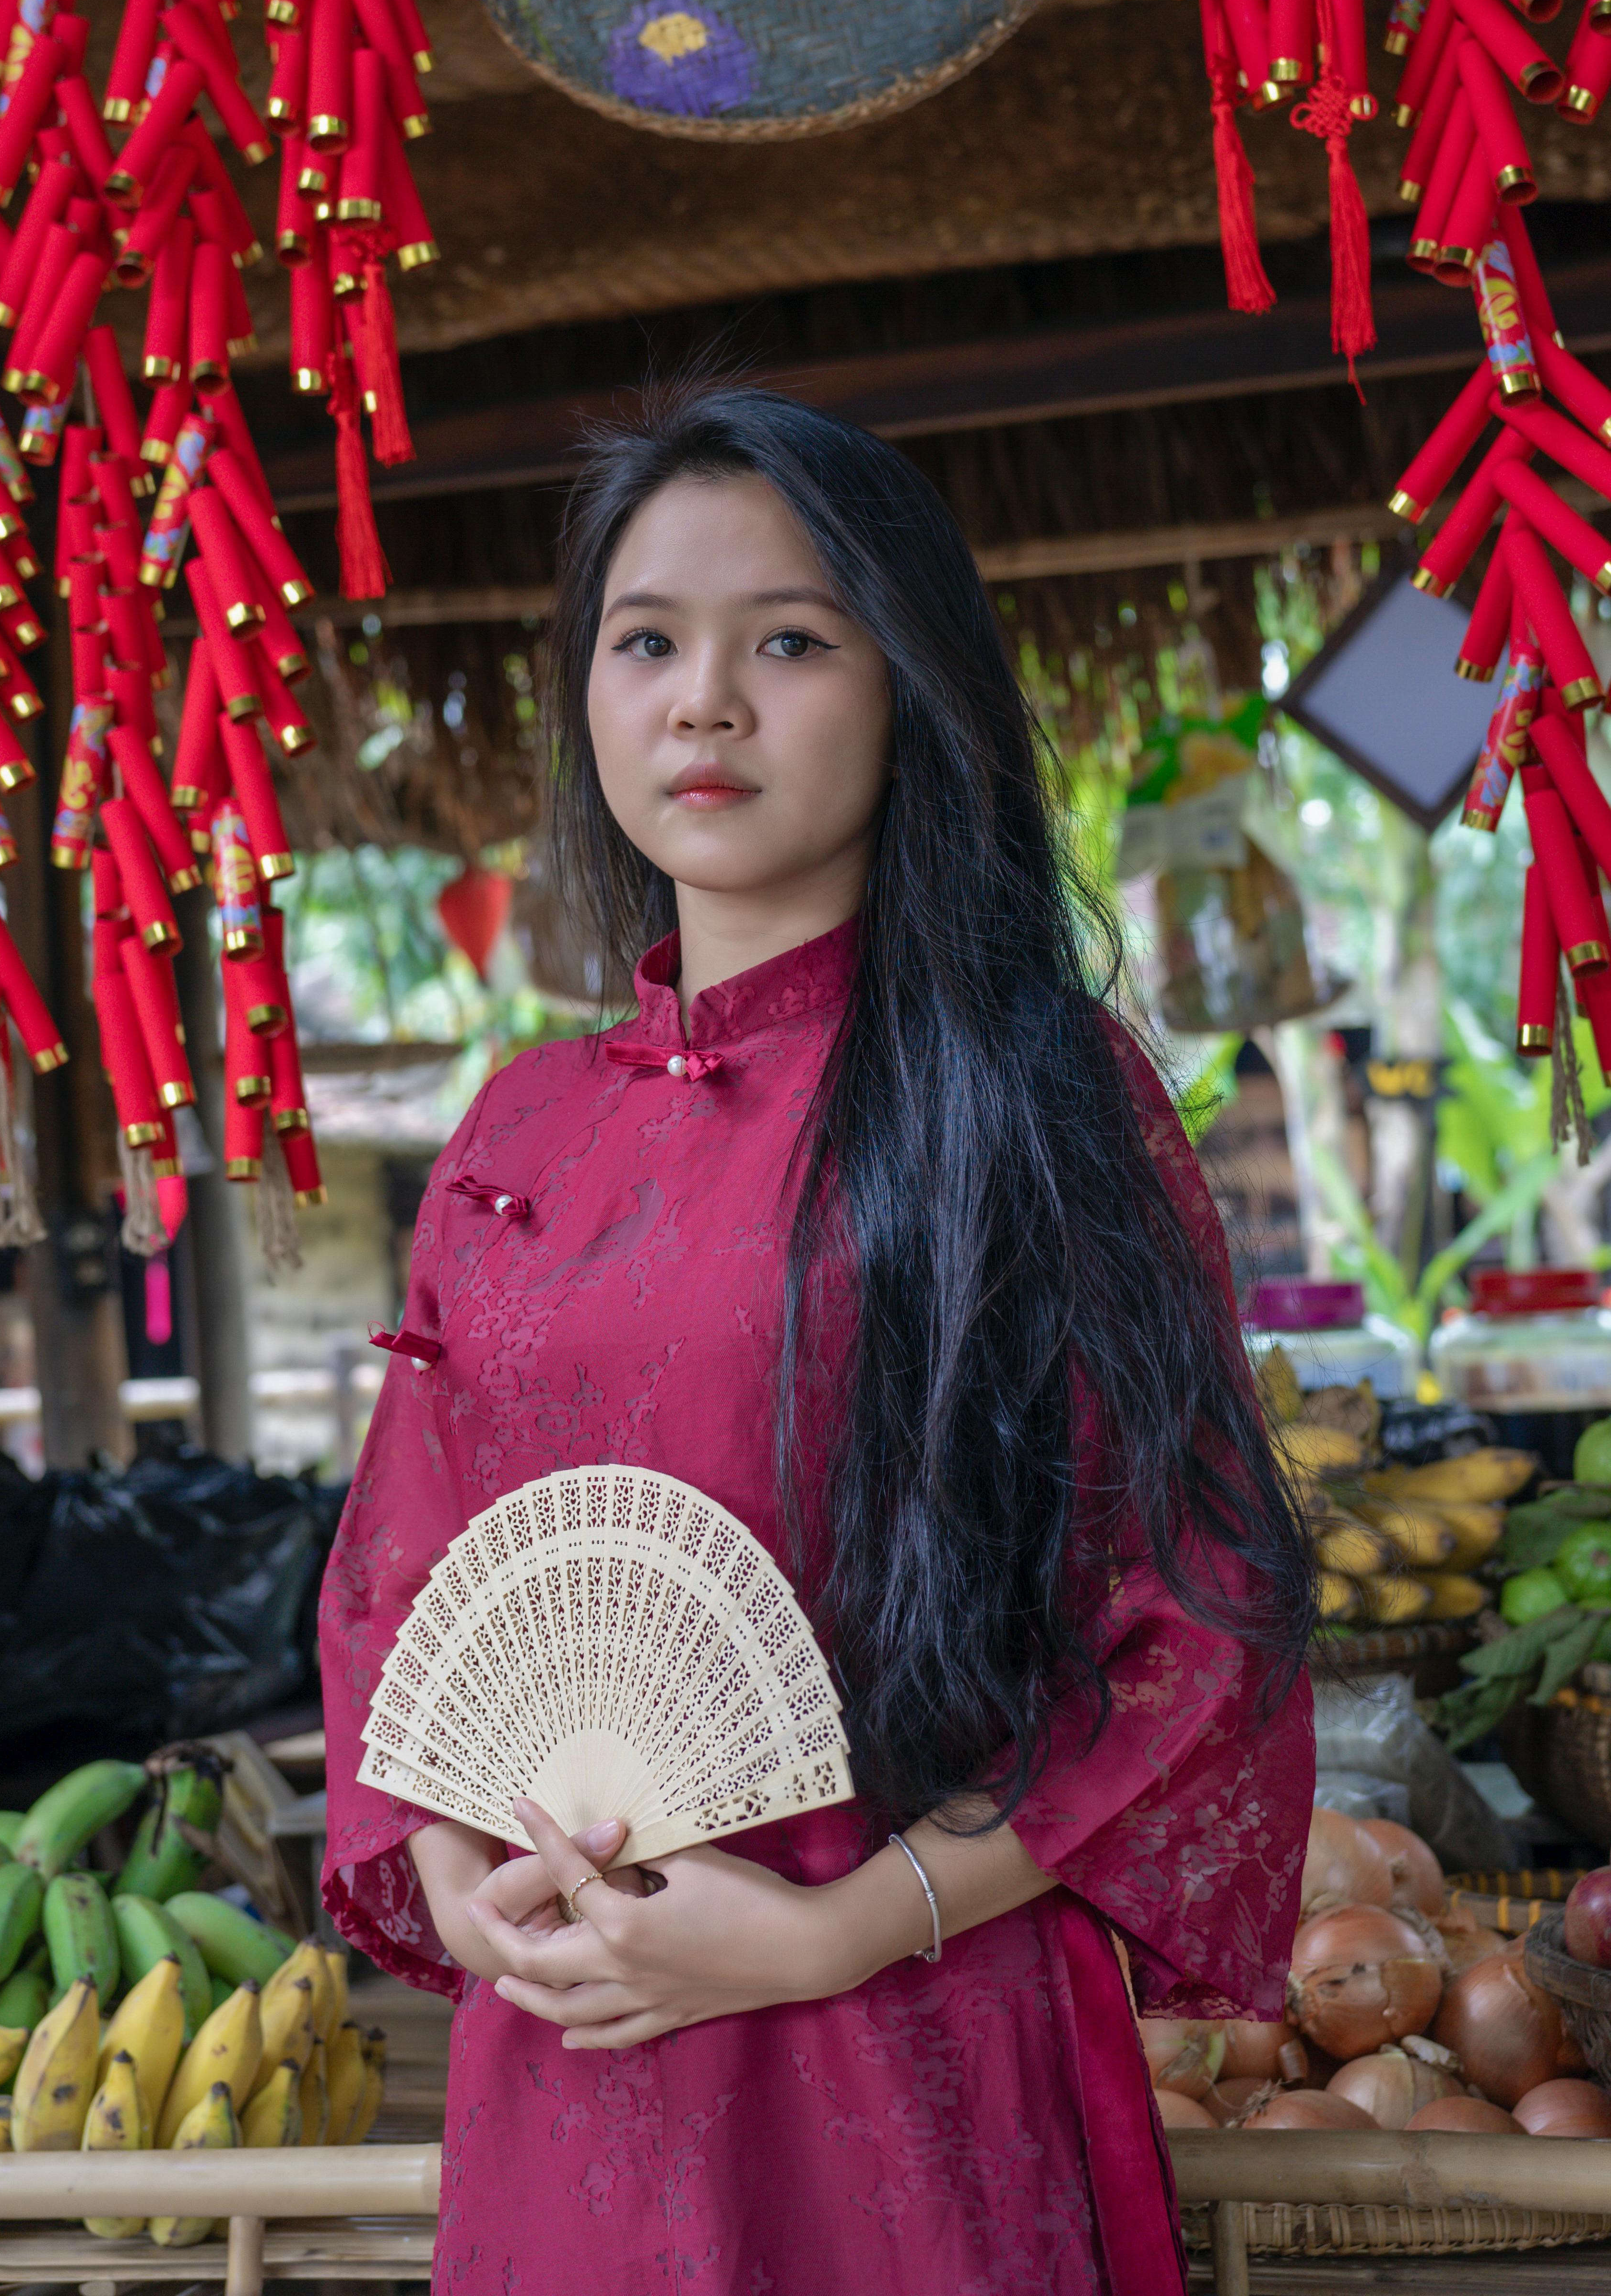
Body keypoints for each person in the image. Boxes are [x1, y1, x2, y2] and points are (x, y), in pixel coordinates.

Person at [318, 386, 1314, 2293]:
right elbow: (402, 1594)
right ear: (585, 697)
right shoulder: (516, 1131)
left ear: (907, 687)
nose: (706, 701)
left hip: (906, 2036)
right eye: (647, 642)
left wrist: (846, 1927)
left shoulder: (1038, 1098)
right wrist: (461, 1881)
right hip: (575, 2054)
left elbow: (1199, 1616)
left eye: (787, 639)